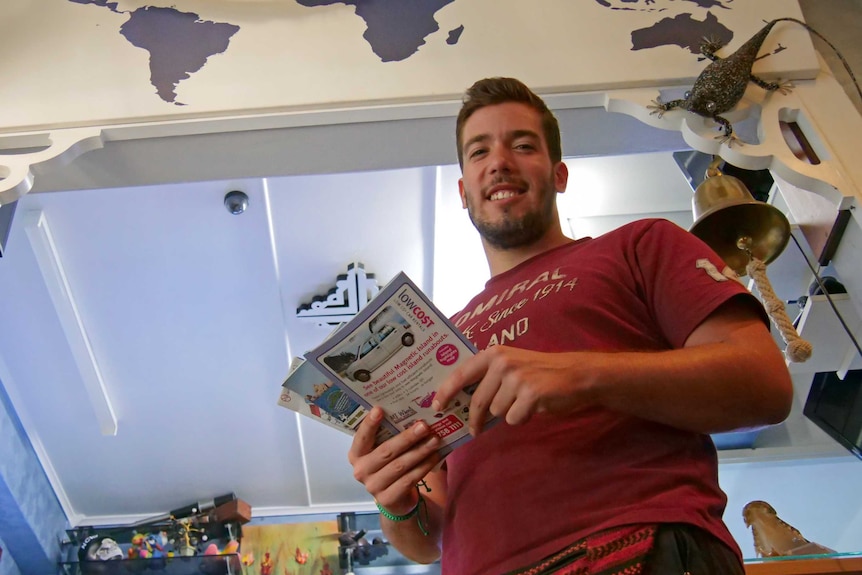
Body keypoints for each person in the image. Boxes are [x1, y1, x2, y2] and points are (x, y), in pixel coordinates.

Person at [348, 77, 793, 575]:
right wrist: (394, 500)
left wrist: (579, 375)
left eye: (522, 145)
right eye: (478, 152)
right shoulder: (442, 340)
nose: (499, 161)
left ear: (559, 174)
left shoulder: (640, 245)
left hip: (632, 549)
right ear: (463, 190)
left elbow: (765, 383)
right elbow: (428, 540)